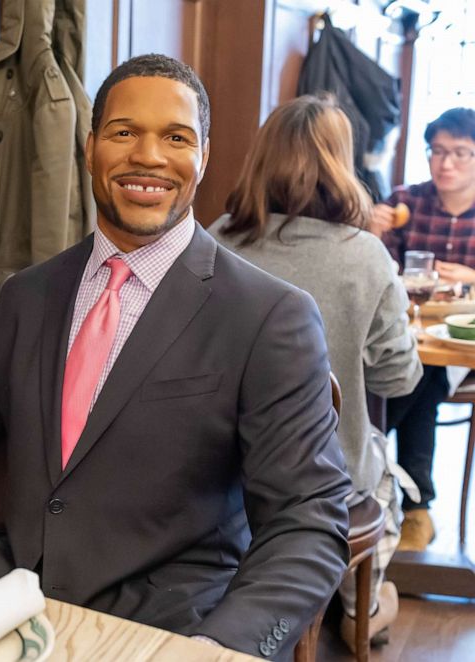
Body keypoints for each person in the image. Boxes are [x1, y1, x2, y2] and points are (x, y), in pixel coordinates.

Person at [0, 54, 351, 660]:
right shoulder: (26, 296)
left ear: (202, 155)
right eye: (124, 132)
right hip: (10, 581)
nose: (148, 156)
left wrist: (220, 648)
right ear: (91, 145)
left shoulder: (269, 315)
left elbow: (307, 519)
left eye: (175, 138)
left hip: (171, 614)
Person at [209, 94, 422, 652]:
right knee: (383, 468)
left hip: (217, 470)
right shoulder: (365, 256)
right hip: (321, 480)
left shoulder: (215, 239)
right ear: (340, 162)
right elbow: (400, 378)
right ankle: (360, 605)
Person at [371, 107, 475, 552]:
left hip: (461, 350)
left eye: (460, 154)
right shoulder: (405, 203)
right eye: (437, 152)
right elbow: (377, 277)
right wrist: (369, 234)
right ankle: (417, 507)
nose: (445, 163)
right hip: (405, 337)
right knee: (418, 375)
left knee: (421, 376)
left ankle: (366, 463)